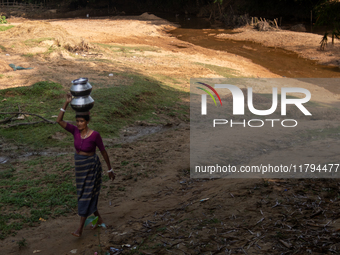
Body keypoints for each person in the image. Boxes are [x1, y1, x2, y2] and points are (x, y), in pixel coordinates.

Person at [57, 92, 115, 237]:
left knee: (86, 195)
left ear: (87, 121)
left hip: (91, 167)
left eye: (82, 121)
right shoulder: (74, 131)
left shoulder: (95, 135)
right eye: (77, 121)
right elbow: (59, 120)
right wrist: (66, 103)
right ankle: (99, 218)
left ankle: (80, 228)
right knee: (86, 194)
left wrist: (110, 169)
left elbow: (103, 152)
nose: (79, 124)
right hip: (80, 168)